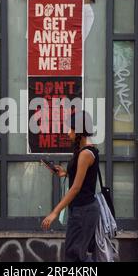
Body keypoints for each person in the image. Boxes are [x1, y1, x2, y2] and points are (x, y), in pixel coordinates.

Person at [41, 111, 100, 262]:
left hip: (83, 211)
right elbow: (84, 177)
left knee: (74, 256)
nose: (68, 133)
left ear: (79, 131)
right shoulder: (84, 151)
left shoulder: (86, 153)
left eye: (71, 129)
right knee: (77, 254)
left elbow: (76, 188)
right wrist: (65, 173)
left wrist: (55, 212)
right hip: (82, 210)